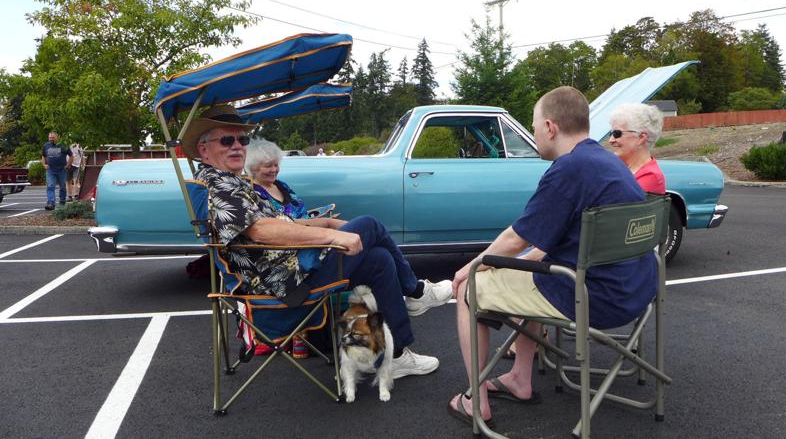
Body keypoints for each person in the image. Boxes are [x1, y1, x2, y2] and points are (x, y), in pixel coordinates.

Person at [184, 105, 452, 378]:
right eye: (226, 140)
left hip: (290, 269)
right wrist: (333, 236)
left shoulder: (232, 181)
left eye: (242, 139)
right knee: (369, 224)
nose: (237, 146)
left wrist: (327, 223)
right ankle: (416, 292)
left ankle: (396, 354)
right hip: (285, 283)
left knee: (380, 261)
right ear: (204, 150)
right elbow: (260, 230)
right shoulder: (218, 186)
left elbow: (281, 223)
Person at [447, 86, 658, 425]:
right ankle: (520, 378)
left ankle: (476, 400)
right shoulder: (608, 162)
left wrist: (469, 268)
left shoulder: (570, 169)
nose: (533, 134)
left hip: (594, 297)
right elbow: (548, 242)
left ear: (549, 127)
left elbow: (515, 239)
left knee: (468, 289)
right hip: (637, 288)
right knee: (538, 271)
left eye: (533, 127)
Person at [244, 137, 346, 357]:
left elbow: (301, 215)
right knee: (359, 238)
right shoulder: (252, 194)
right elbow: (282, 227)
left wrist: (320, 221)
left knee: (355, 232)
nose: (274, 169)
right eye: (268, 166)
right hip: (290, 253)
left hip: (309, 238)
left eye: (276, 164)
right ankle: (302, 332)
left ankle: (308, 333)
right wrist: (324, 224)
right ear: (253, 167)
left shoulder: (282, 187)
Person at [608, 103, 666, 194]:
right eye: (611, 133)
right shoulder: (622, 168)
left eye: (617, 133)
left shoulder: (649, 177)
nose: (610, 140)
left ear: (641, 137)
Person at [41, 132, 72, 211]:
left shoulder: (63, 145)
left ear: (57, 138)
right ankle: (51, 203)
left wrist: (68, 165)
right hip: (50, 170)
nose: (51, 139)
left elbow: (71, 155)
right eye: (49, 137)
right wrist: (44, 164)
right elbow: (43, 156)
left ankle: (62, 202)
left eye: (52, 137)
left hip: (62, 170)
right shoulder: (46, 146)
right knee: (50, 186)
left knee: (62, 187)